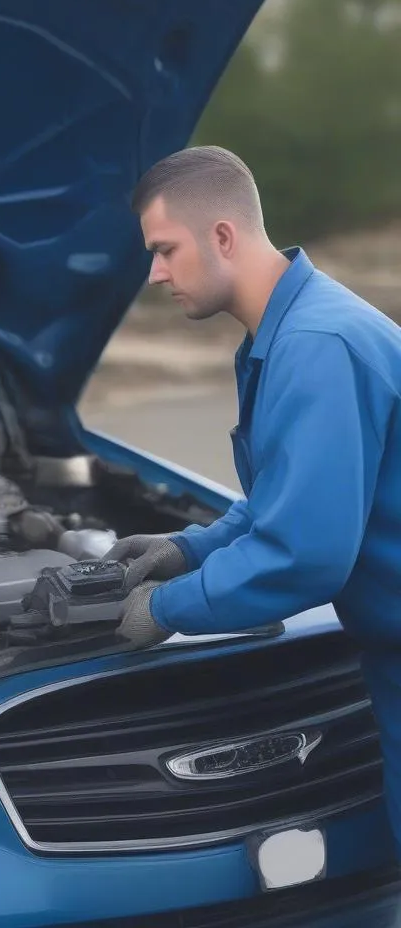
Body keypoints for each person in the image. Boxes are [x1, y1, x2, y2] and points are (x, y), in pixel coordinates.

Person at [106, 145, 401, 854]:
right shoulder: (291, 335)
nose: (155, 273)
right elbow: (288, 497)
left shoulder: (317, 345)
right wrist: (189, 548)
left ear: (223, 237)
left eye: (165, 250)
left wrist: (166, 609)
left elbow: (305, 555)